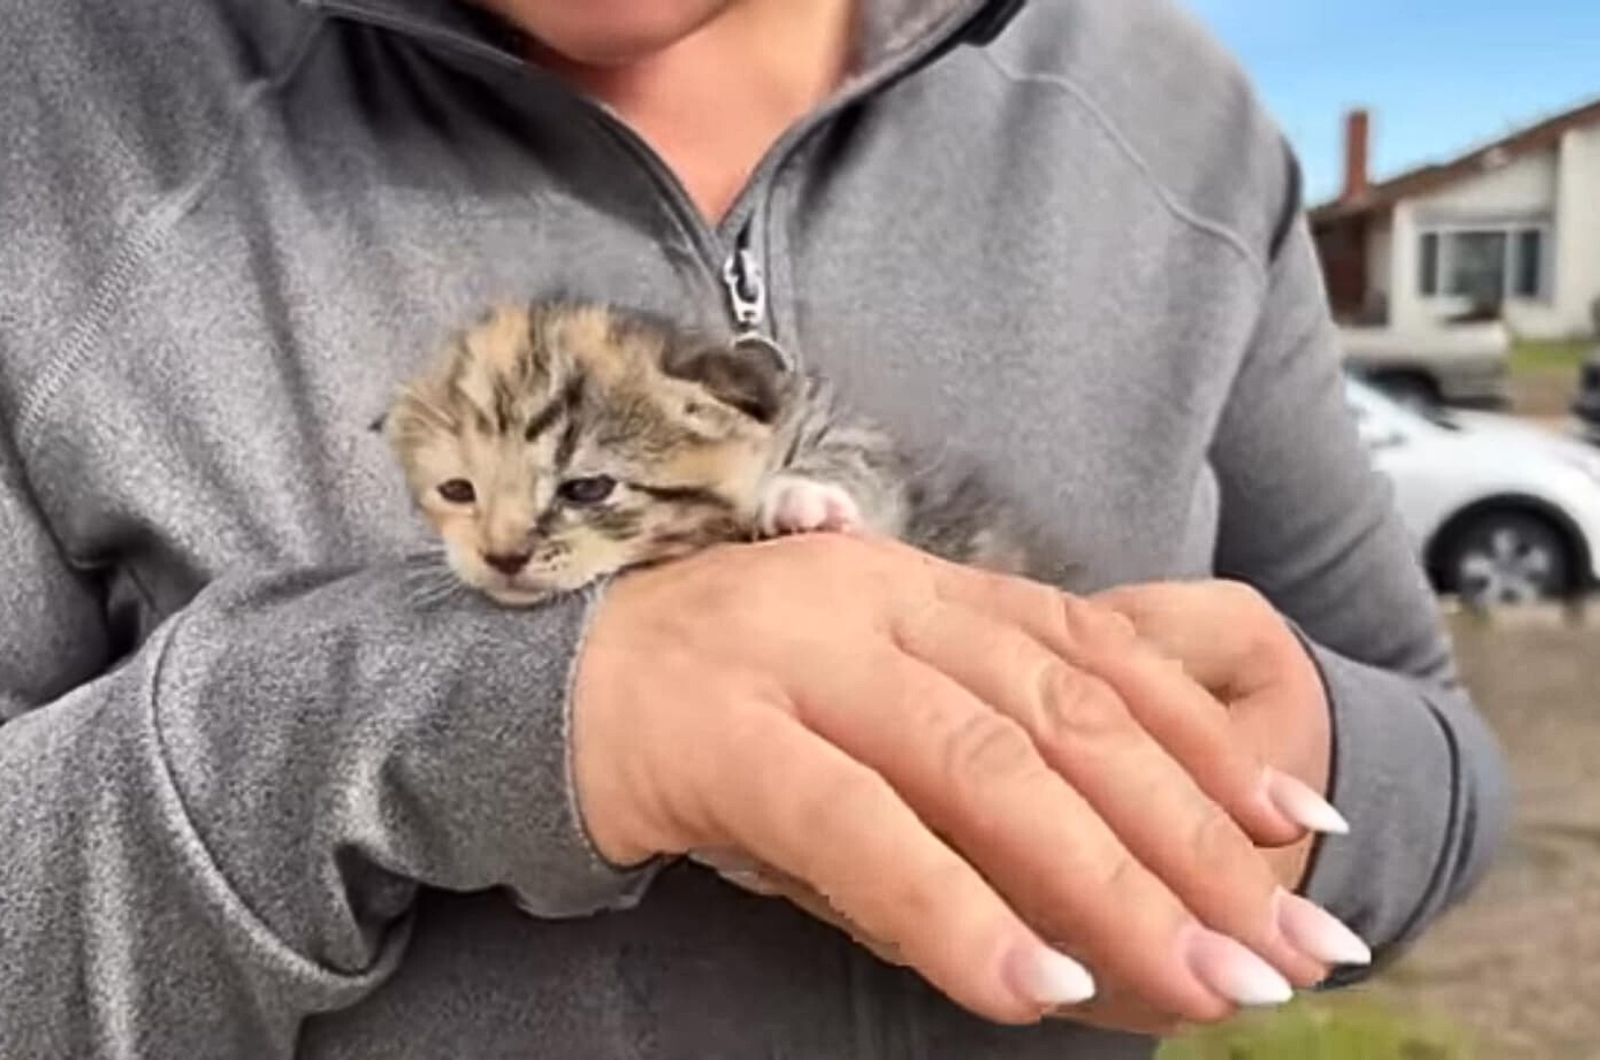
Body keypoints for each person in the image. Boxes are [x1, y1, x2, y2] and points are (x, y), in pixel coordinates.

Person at [0, 0, 1507, 1057]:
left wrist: (1289, 792)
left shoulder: (1177, 119)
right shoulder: (55, 111)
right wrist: (474, 711)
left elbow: (1431, 753)